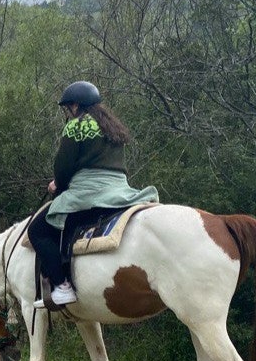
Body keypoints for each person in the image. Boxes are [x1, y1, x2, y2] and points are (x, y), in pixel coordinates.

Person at [27, 81, 158, 307]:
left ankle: (62, 286)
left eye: (69, 107)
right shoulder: (112, 126)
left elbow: (63, 166)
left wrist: (57, 184)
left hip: (89, 193)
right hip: (120, 190)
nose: (69, 111)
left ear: (76, 105)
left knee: (37, 231)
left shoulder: (76, 126)